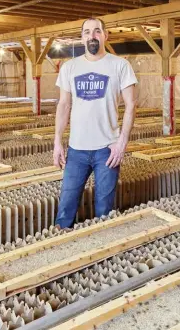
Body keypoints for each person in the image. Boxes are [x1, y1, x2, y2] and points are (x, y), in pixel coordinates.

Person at [53, 17, 138, 228]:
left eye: (97, 31)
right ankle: (63, 249)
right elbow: (64, 105)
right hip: (76, 150)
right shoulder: (70, 67)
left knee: (104, 210)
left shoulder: (120, 65)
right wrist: (57, 141)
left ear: (105, 35)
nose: (92, 36)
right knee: (65, 207)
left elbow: (131, 104)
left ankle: (101, 253)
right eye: (87, 32)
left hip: (106, 151)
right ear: (82, 38)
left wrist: (122, 143)